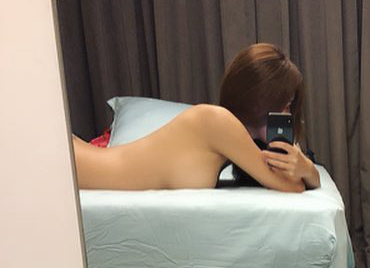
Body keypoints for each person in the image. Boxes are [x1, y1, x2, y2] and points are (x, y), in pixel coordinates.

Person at [71, 43, 320, 193]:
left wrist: (304, 167)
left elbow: (292, 182)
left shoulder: (230, 137)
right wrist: (306, 169)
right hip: (75, 164)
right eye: (287, 105)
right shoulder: (218, 122)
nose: (287, 114)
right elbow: (292, 186)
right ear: (262, 101)